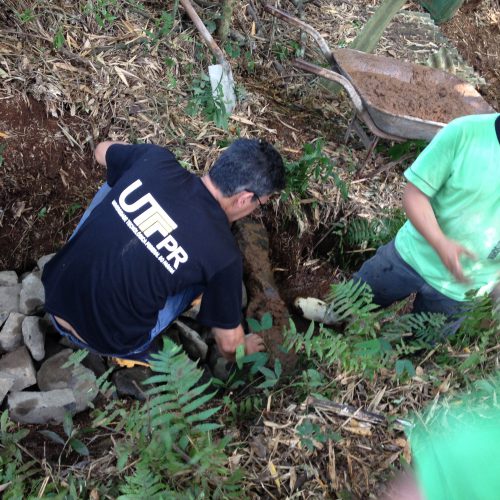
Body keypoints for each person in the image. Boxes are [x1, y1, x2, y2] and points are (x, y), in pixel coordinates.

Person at [42, 138, 286, 363]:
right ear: (244, 199)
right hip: (107, 340)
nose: (257, 209)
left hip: (54, 295)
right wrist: (246, 348)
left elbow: (101, 151)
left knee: (123, 176)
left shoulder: (154, 159)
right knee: (204, 272)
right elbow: (230, 348)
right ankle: (138, 349)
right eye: (261, 204)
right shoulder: (223, 254)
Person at [353, 113, 500, 335]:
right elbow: (415, 194)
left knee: (417, 351)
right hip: (409, 257)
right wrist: (441, 243)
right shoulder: (464, 133)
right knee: (351, 301)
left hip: (462, 291)